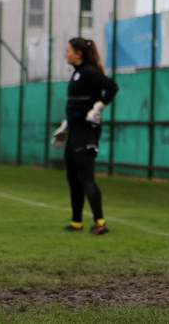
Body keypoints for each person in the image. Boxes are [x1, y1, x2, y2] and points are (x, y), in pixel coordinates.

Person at [51, 37, 118, 234]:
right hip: (75, 132)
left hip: (86, 133)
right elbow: (77, 104)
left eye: (67, 50)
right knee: (73, 178)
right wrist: (67, 124)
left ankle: (100, 224)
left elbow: (112, 87)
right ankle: (76, 223)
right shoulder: (78, 74)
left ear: (78, 53)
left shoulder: (89, 72)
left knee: (86, 178)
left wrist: (100, 106)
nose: (65, 54)